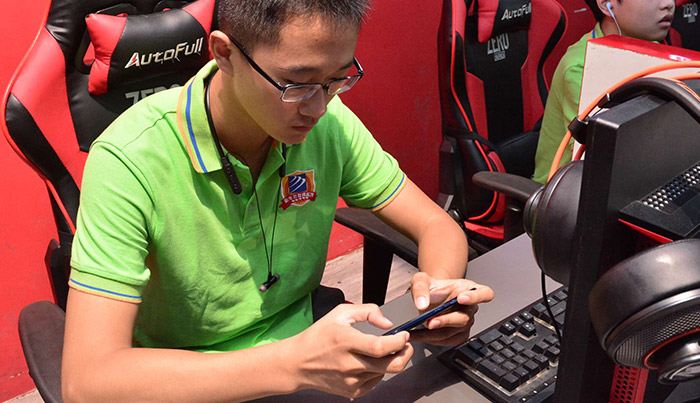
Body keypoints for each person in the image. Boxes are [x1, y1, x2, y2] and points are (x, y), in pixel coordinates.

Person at [61, 0, 494, 401]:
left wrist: (438, 293)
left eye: (337, 79)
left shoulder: (329, 125)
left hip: (308, 357)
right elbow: (87, 382)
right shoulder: (129, 160)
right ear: (225, 54)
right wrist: (293, 365)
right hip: (188, 383)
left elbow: (436, 225)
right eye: (297, 84)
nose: (319, 107)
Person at [532, 0, 675, 184]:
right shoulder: (581, 67)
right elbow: (601, 157)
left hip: (635, 173)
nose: (668, 4)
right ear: (606, 4)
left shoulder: (654, 48)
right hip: (567, 190)